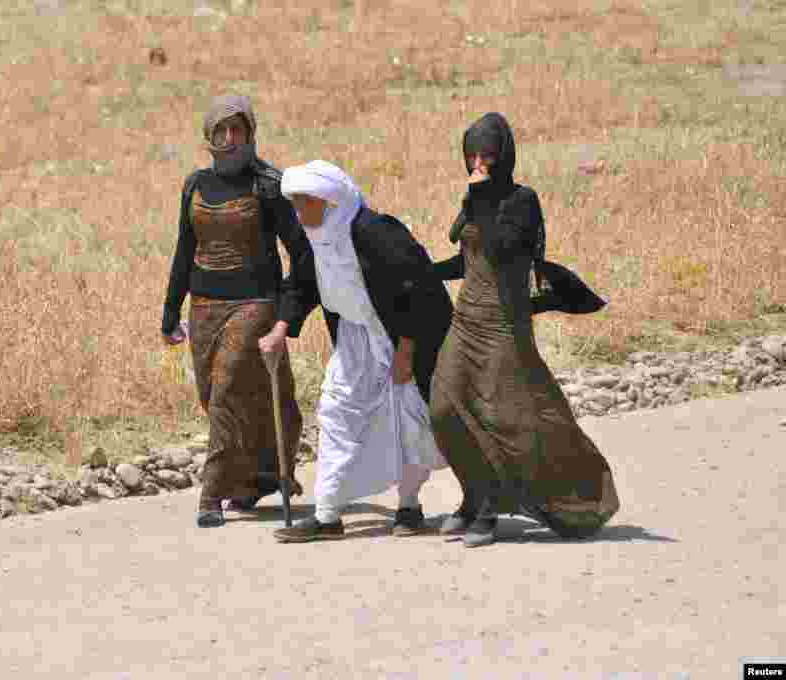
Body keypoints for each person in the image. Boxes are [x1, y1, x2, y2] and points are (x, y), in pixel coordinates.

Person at [429, 112, 620, 548]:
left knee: (502, 420)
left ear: (505, 157)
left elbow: (501, 249)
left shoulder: (521, 200)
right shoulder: (474, 197)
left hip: (502, 326)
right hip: (466, 321)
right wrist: (426, 271)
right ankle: (473, 493)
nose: (479, 165)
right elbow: (469, 257)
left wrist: (479, 199)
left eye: (488, 156)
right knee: (443, 409)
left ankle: (492, 508)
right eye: (471, 156)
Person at [259, 160, 453, 543]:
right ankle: (327, 515)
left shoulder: (375, 233)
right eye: (294, 205)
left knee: (407, 418)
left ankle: (409, 506)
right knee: (336, 412)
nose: (298, 214)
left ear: (329, 201)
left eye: (305, 204)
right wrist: (280, 329)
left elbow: (418, 288)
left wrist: (407, 351)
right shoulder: (314, 237)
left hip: (398, 336)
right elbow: (300, 285)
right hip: (353, 337)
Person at [160, 94, 312, 528]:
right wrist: (170, 312)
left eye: (238, 130)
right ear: (209, 137)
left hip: (254, 305)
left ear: (250, 134)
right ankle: (252, 480)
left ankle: (212, 495)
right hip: (204, 307)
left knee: (226, 389)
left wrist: (284, 314)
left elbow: (301, 254)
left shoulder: (268, 186)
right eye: (221, 131)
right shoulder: (195, 185)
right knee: (214, 398)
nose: (231, 139)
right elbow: (185, 251)